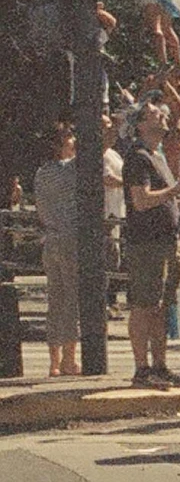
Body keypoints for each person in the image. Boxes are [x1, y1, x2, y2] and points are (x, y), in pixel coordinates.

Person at [120, 99, 180, 388]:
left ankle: (160, 366)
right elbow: (140, 200)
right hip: (146, 244)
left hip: (166, 241)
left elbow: (162, 197)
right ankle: (141, 369)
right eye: (153, 113)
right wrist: (174, 190)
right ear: (139, 124)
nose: (162, 115)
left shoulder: (157, 155)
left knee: (162, 306)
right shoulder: (137, 157)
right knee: (143, 305)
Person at [32, 122, 79, 376]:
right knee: (72, 300)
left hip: (50, 238)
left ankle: (54, 361)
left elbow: (40, 209)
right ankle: (70, 359)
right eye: (70, 138)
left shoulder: (41, 173)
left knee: (56, 300)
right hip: (70, 236)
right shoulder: (69, 169)